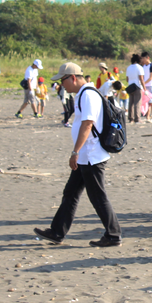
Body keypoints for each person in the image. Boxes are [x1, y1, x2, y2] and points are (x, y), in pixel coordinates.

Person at [33, 63, 122, 247]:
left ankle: (113, 235)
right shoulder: (84, 94)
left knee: (97, 196)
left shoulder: (88, 94)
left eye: (62, 80)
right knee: (71, 192)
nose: (61, 85)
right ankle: (57, 232)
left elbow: (87, 125)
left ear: (72, 77)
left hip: (90, 155)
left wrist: (75, 151)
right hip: (85, 155)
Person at [125, 54, 146, 123]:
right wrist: (144, 88)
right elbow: (141, 79)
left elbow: (127, 79)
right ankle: (137, 118)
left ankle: (131, 118)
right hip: (137, 86)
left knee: (131, 103)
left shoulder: (129, 67)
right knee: (137, 103)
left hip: (130, 86)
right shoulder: (139, 68)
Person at [140, 52, 152, 123]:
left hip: (151, 85)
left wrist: (143, 83)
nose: (143, 60)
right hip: (145, 86)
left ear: (148, 58)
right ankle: (147, 117)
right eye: (142, 58)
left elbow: (151, 77)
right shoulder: (144, 66)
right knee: (146, 101)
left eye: (144, 58)